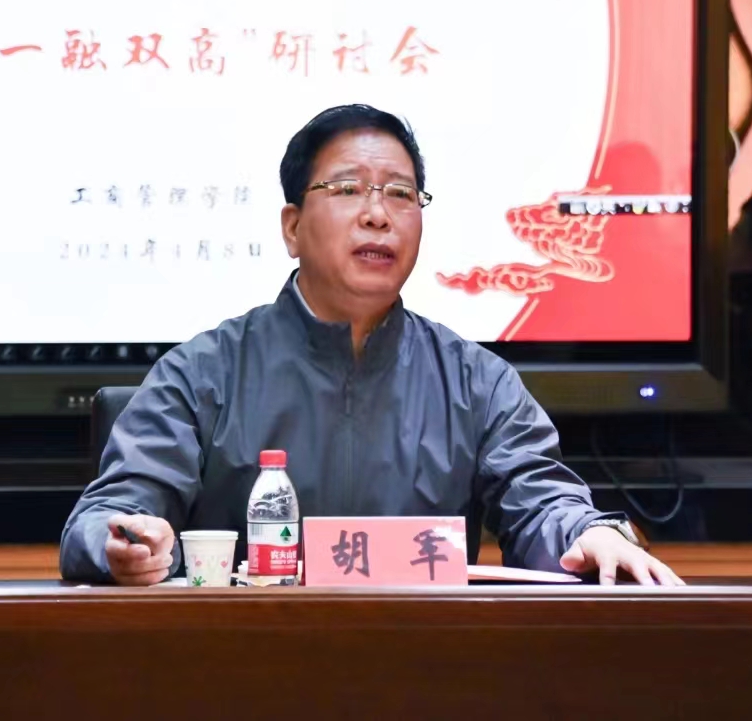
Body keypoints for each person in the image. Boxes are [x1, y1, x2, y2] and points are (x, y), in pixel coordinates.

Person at [60, 104, 683, 587]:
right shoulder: (203, 373)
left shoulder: (476, 382)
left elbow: (543, 502)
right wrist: (126, 544)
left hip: (426, 672)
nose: (378, 215)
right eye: (348, 189)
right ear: (292, 227)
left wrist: (591, 533)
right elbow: (105, 517)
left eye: (400, 193)